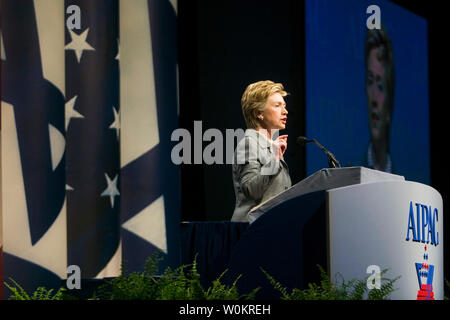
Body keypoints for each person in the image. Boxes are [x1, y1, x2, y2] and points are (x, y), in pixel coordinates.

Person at [231, 80, 292, 222]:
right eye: (277, 106)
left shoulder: (271, 146)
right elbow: (252, 190)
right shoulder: (249, 143)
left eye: (284, 106)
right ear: (259, 113)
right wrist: (275, 159)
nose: (285, 111)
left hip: (271, 227)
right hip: (252, 230)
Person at [364, 25, 395, 173]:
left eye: (380, 85)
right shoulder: (349, 173)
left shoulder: (406, 183)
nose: (374, 99)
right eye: (370, 81)